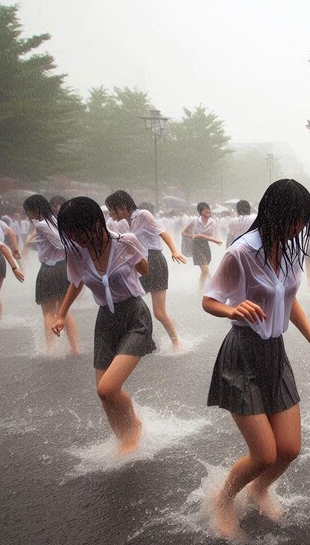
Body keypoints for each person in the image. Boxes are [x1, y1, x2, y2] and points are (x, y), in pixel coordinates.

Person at [201, 180, 310, 539]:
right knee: (263, 454)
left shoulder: (291, 249)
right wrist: (232, 308)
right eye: (293, 220)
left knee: (289, 450)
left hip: (275, 353)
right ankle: (223, 499)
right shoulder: (242, 251)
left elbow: (289, 301)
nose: (297, 229)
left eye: (302, 222)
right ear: (273, 214)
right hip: (242, 353)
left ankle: (259, 489)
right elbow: (209, 300)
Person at [51, 197, 155, 454]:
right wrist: (61, 314)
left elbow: (145, 269)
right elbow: (76, 283)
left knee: (108, 387)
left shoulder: (125, 242)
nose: (77, 238)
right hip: (105, 320)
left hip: (134, 317)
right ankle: (124, 439)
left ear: (97, 222)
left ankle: (135, 428)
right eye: (71, 233)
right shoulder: (76, 253)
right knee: (104, 395)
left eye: (80, 229)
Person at [106, 191, 187, 350]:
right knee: (130, 303)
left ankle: (176, 341)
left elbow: (162, 231)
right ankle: (138, 341)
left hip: (154, 261)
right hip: (139, 263)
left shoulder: (142, 215)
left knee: (159, 312)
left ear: (122, 207)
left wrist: (174, 250)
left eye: (112, 209)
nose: (110, 213)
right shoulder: (123, 223)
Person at [23, 195, 79, 354]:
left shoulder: (42, 224)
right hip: (63, 269)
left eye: (28, 211)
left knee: (48, 311)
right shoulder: (55, 219)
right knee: (64, 310)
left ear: (33, 210)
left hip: (49, 270)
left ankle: (51, 348)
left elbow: (60, 243)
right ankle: (75, 348)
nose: (28, 215)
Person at [183, 202, 223, 292]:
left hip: (205, 245)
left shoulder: (212, 222)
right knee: (205, 270)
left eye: (208, 209)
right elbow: (183, 232)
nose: (208, 211)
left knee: (205, 270)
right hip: (196, 245)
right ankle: (202, 290)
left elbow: (215, 237)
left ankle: (210, 284)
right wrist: (192, 236)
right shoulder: (195, 221)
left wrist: (204, 236)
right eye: (205, 209)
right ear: (200, 212)